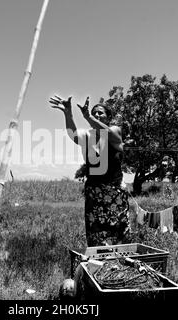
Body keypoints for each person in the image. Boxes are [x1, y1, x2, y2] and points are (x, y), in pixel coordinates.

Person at [49, 95, 130, 247]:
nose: (97, 115)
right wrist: (68, 113)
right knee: (96, 232)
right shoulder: (88, 135)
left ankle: (120, 263)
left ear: (108, 117)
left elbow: (109, 134)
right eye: (95, 112)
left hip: (115, 191)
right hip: (94, 191)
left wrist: (88, 116)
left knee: (118, 231)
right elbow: (73, 134)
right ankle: (99, 265)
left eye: (101, 113)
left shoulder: (115, 131)